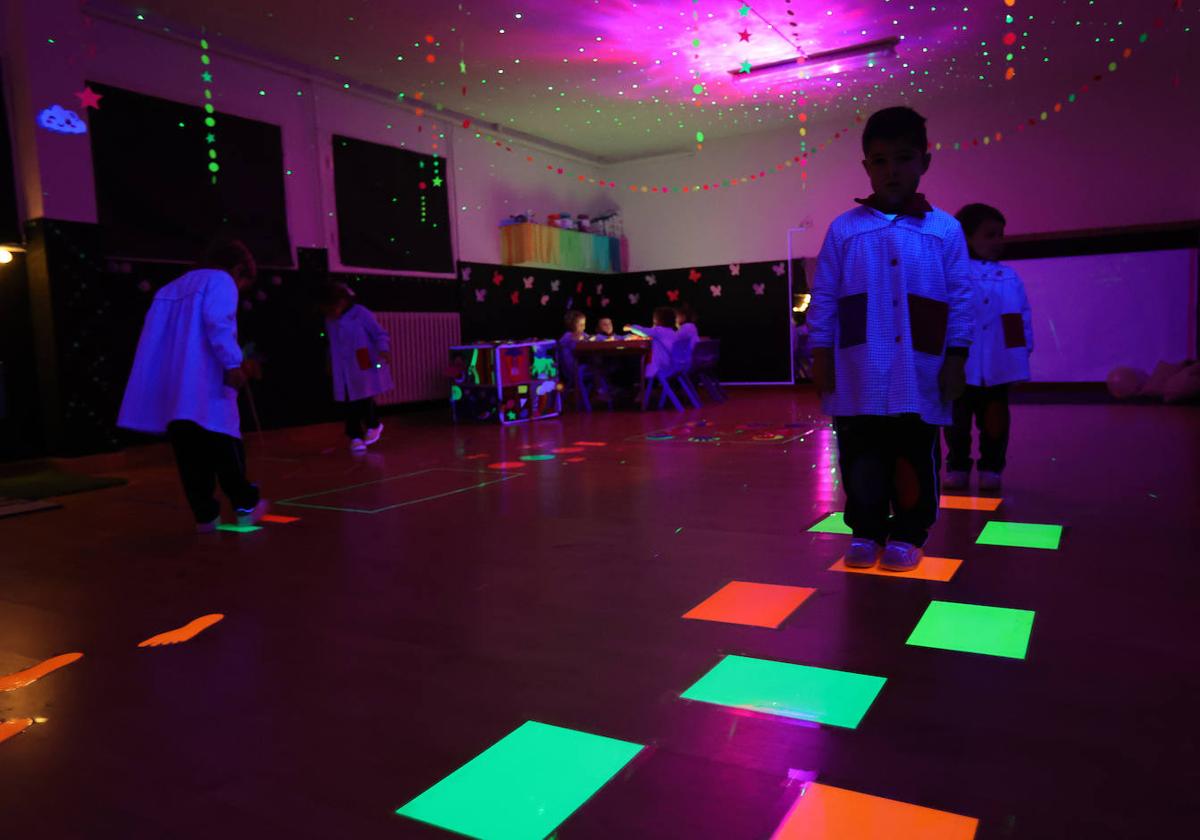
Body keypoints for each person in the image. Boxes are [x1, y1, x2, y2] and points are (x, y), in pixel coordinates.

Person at [808, 106, 973, 572]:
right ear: (866, 167)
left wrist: (956, 357)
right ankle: (865, 529)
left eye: (903, 158)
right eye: (879, 160)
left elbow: (960, 298)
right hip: (858, 370)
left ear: (925, 161)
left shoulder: (945, 230)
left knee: (914, 454)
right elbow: (824, 296)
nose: (891, 170)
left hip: (920, 369)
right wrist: (820, 354)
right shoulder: (845, 229)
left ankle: (909, 531)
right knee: (861, 453)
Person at [118, 238, 269, 533]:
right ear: (238, 270)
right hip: (207, 386)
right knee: (226, 449)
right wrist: (233, 363)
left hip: (176, 392)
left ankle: (205, 517)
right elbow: (219, 322)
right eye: (243, 284)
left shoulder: (169, 289)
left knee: (190, 458)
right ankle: (244, 506)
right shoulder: (221, 281)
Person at [944, 203, 1033, 491]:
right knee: (956, 421)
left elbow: (1019, 317)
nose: (998, 242)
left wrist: (1021, 354)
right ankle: (957, 465)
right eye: (990, 235)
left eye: (1000, 235)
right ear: (967, 238)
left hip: (997, 365)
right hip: (960, 364)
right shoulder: (952, 274)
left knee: (995, 421)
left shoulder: (1009, 277)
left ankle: (992, 467)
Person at [320, 283, 391, 454]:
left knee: (364, 394)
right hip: (341, 364)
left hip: (361, 357)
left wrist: (383, 350)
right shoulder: (330, 320)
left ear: (342, 301)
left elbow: (379, 333)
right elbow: (332, 343)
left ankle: (373, 423)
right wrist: (330, 361)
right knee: (348, 399)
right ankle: (355, 436)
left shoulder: (360, 313)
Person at [625, 306, 680, 378]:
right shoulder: (673, 332)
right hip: (673, 363)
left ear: (659, 319)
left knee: (637, 361)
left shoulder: (659, 330)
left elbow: (643, 331)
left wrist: (631, 327)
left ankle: (636, 384)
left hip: (662, 365)